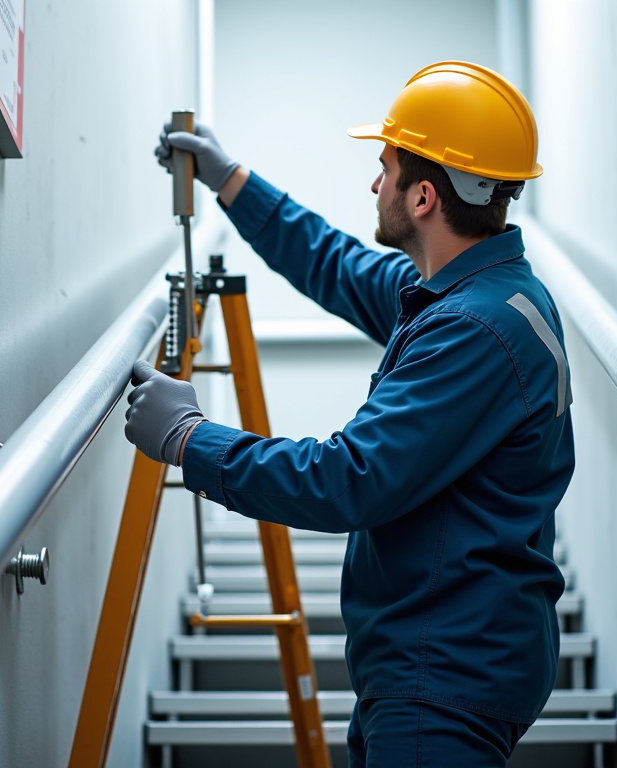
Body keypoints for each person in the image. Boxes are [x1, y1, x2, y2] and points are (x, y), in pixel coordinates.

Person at [124, 61, 574, 767]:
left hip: (440, 676)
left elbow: (348, 478)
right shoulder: (479, 296)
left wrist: (189, 440)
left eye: (384, 168)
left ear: (423, 196)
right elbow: (333, 262)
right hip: (432, 666)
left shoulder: (473, 329)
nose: (374, 185)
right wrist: (229, 179)